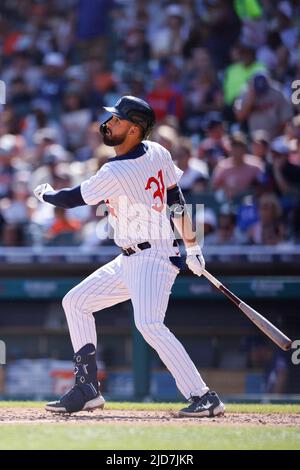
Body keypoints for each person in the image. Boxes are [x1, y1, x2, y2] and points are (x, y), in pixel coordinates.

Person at [34, 96, 225, 418]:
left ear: (135, 130)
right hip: (133, 256)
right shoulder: (158, 152)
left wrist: (45, 193)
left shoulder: (117, 169)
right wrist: (192, 246)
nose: (108, 124)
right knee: (76, 302)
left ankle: (203, 395)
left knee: (149, 324)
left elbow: (69, 200)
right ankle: (87, 388)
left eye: (117, 120)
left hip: (152, 255)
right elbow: (176, 200)